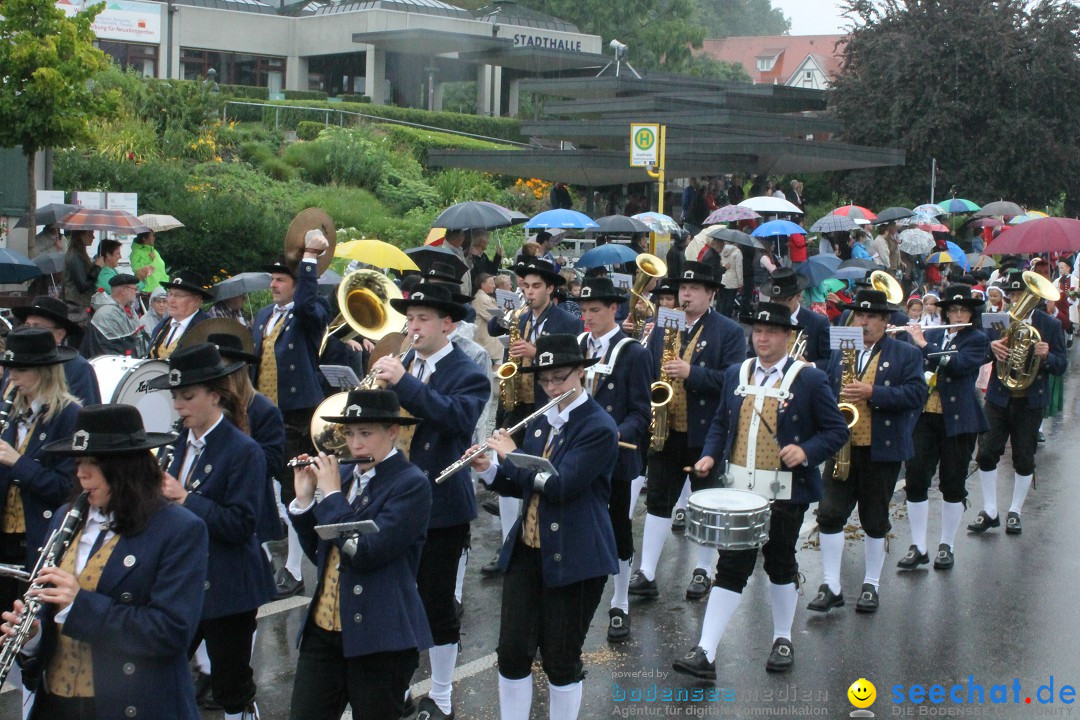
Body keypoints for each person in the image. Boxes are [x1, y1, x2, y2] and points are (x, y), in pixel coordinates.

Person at [672, 302, 848, 680]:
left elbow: (837, 430)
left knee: (780, 563)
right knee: (731, 566)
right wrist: (708, 455)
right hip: (737, 490)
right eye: (757, 332)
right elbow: (721, 422)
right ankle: (706, 650)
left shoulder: (809, 379)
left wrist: (806, 451)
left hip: (785, 492)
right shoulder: (738, 371)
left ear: (788, 336)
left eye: (771, 332)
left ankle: (782, 638)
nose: (763, 338)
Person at [3, 404, 208, 720]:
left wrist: (79, 606)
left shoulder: (179, 529)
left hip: (130, 704)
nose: (81, 472)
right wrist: (33, 638)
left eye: (94, 462)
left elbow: (171, 632)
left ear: (125, 467)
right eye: (78, 461)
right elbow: (49, 613)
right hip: (58, 705)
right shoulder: (64, 518)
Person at [469, 334, 619, 720]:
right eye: (545, 380)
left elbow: (560, 486)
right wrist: (490, 470)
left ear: (580, 374)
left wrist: (513, 456)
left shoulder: (598, 426)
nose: (552, 388)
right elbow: (521, 484)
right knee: (513, 652)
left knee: (560, 658)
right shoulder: (540, 423)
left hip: (577, 555)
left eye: (560, 378)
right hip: (528, 551)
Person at [367, 282, 489, 719]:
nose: (413, 327)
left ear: (448, 324)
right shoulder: (401, 363)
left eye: (422, 319)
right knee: (395, 599)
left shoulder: (466, 369)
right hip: (392, 500)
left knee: (436, 604)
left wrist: (405, 385)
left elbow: (457, 418)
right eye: (410, 318)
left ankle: (441, 695)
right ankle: (398, 689)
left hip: (442, 504)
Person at [286, 389, 432, 720]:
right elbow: (322, 555)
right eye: (350, 434)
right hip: (323, 633)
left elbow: (365, 552)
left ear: (392, 432)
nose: (355, 445)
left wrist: (333, 495)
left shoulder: (410, 484)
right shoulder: (348, 477)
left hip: (379, 636)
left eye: (366, 433)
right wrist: (307, 502)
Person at [152, 343, 275, 720]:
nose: (179, 406)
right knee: (158, 671)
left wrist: (186, 498)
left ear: (215, 395)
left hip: (228, 585)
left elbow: (240, 525)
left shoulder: (243, 451)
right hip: (180, 582)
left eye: (187, 397)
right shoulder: (174, 443)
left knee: (231, 684)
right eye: (175, 397)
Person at [630, 262, 746, 601]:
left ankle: (703, 570)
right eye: (682, 289)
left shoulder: (729, 330)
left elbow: (734, 380)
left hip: (706, 432)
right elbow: (650, 368)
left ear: (710, 294)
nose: (685, 294)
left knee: (706, 503)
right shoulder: (665, 325)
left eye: (694, 289)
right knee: (658, 500)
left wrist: (690, 371)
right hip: (666, 428)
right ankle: (647, 571)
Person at [808, 289, 925, 614]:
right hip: (840, 446)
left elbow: (917, 393)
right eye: (859, 315)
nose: (863, 321)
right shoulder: (840, 350)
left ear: (885, 321)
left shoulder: (905, 353)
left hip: (881, 448)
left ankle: (871, 584)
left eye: (871, 316)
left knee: (875, 520)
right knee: (829, 514)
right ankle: (831, 585)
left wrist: (874, 392)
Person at [251, 241, 332, 600]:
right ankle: (266, 560)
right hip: (264, 413)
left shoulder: (308, 313)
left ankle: (295, 570)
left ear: (298, 285)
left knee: (293, 490)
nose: (273, 284)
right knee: (259, 487)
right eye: (272, 279)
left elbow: (307, 306)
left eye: (281, 279)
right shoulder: (264, 316)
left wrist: (310, 260)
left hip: (297, 414)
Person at [572, 277, 651, 643]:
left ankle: (620, 603)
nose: (588, 317)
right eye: (584, 310)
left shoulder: (633, 352)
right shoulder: (575, 346)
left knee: (618, 526)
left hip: (617, 457)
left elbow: (640, 412)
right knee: (575, 522)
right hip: (575, 455)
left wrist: (614, 433)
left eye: (595, 310)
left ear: (613, 310)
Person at [969, 269, 1067, 536]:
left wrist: (1046, 357)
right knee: (986, 452)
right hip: (999, 398)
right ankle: (990, 510)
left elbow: (1061, 366)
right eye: (1012, 294)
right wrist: (991, 349)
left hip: (1029, 401)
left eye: (1020, 294)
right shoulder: (997, 321)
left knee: (1024, 458)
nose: (1015, 299)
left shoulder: (1050, 325)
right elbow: (978, 355)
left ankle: (1015, 510)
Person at [898, 285, 988, 571]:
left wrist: (924, 345)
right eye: (953, 310)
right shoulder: (935, 333)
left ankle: (946, 545)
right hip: (925, 417)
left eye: (963, 310)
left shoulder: (977, 339)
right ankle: (918, 546)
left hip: (959, 420)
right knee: (915, 479)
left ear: (971, 314)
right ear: (946, 312)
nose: (958, 314)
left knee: (952, 483)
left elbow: (958, 365)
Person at [0, 328, 82, 616]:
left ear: (45, 371)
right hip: (4, 540)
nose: (12, 378)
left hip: (37, 539)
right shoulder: (7, 412)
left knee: (26, 627)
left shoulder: (69, 415)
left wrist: (18, 463)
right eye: (10, 369)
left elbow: (68, 488)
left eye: (21, 370)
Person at [487, 258, 583, 423]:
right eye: (526, 286)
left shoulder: (569, 322)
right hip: (516, 401)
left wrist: (535, 353)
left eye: (536, 286)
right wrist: (507, 312)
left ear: (550, 288)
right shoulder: (521, 318)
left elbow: (572, 363)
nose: (529, 292)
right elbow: (492, 330)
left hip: (545, 400)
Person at [12, 296, 101, 406]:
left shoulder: (77, 367)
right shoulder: (15, 361)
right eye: (27, 326)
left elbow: (87, 416)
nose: (29, 333)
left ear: (59, 334)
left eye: (37, 328)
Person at [758, 269, 831, 366]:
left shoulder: (818, 323)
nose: (779, 305)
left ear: (799, 295)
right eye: (775, 300)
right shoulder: (763, 321)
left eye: (785, 300)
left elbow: (830, 361)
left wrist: (810, 365)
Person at [146, 270, 213, 359]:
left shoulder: (207, 328)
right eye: (170, 294)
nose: (171, 300)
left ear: (197, 301)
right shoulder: (162, 325)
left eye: (178, 295)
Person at [83, 274, 146, 357]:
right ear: (124, 290)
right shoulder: (107, 314)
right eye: (135, 289)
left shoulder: (127, 308)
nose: (137, 292)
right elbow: (110, 350)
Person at [63, 231, 99, 329]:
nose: (93, 237)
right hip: (77, 310)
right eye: (90, 234)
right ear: (80, 235)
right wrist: (97, 268)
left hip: (81, 307)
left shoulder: (79, 254)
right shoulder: (74, 255)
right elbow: (82, 285)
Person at [471, 273, 504, 366]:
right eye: (491, 283)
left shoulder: (485, 297)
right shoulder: (483, 298)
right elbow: (496, 318)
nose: (494, 285)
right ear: (482, 284)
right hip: (486, 338)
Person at [129, 230, 169, 294]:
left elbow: (160, 268)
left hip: (161, 288)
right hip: (149, 291)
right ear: (144, 238)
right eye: (152, 235)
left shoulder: (153, 250)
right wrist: (152, 260)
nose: (154, 238)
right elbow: (138, 272)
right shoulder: (136, 252)